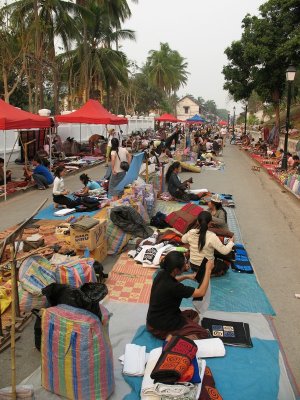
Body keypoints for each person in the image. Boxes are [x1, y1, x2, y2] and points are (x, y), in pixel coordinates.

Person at [146, 251, 213, 340]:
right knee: (203, 334)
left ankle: (182, 331)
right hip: (161, 327)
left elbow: (174, 280)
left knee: (194, 315)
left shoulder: (161, 274)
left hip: (152, 320)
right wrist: (208, 270)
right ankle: (171, 338)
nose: (186, 266)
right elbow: (201, 292)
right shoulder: (175, 288)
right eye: (184, 265)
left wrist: (187, 276)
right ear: (176, 270)